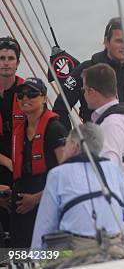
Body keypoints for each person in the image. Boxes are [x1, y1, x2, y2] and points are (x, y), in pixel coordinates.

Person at [31, 122, 124, 258]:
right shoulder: (112, 168)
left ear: (75, 146)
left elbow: (45, 224)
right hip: (115, 248)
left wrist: (36, 257)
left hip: (79, 251)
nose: (64, 147)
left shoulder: (58, 174)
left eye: (66, 142)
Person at [52, 17, 124, 130]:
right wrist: (67, 140)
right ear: (106, 41)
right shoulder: (87, 70)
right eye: (119, 41)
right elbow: (60, 108)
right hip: (97, 142)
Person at [10, 78, 67, 247]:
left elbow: (66, 174)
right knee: (19, 257)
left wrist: (35, 199)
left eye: (32, 94)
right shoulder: (20, 129)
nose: (25, 99)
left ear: (44, 98)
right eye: (20, 95)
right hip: (21, 206)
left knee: (46, 257)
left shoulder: (55, 129)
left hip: (45, 203)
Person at [82, 63, 124, 180]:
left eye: (84, 89)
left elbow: (108, 168)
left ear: (91, 92)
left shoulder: (111, 124)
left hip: (116, 192)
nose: (84, 94)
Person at [0, 36, 25, 234]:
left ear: (18, 62)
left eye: (10, 58)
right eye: (1, 58)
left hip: (21, 163)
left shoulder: (28, 93)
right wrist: (7, 162)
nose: (6, 63)